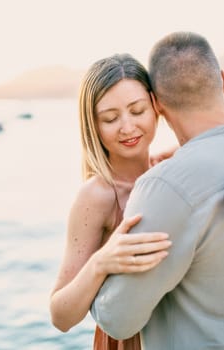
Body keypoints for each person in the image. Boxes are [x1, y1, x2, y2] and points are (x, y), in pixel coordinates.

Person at [91, 32, 224, 349]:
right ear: (221, 78)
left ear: (156, 104)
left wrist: (99, 268)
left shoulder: (166, 185)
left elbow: (119, 320)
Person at [50, 53, 173, 349]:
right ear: (93, 125)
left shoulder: (169, 171)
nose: (127, 127)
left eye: (137, 110)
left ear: (156, 107)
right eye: (110, 118)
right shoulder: (97, 195)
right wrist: (100, 263)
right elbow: (60, 316)